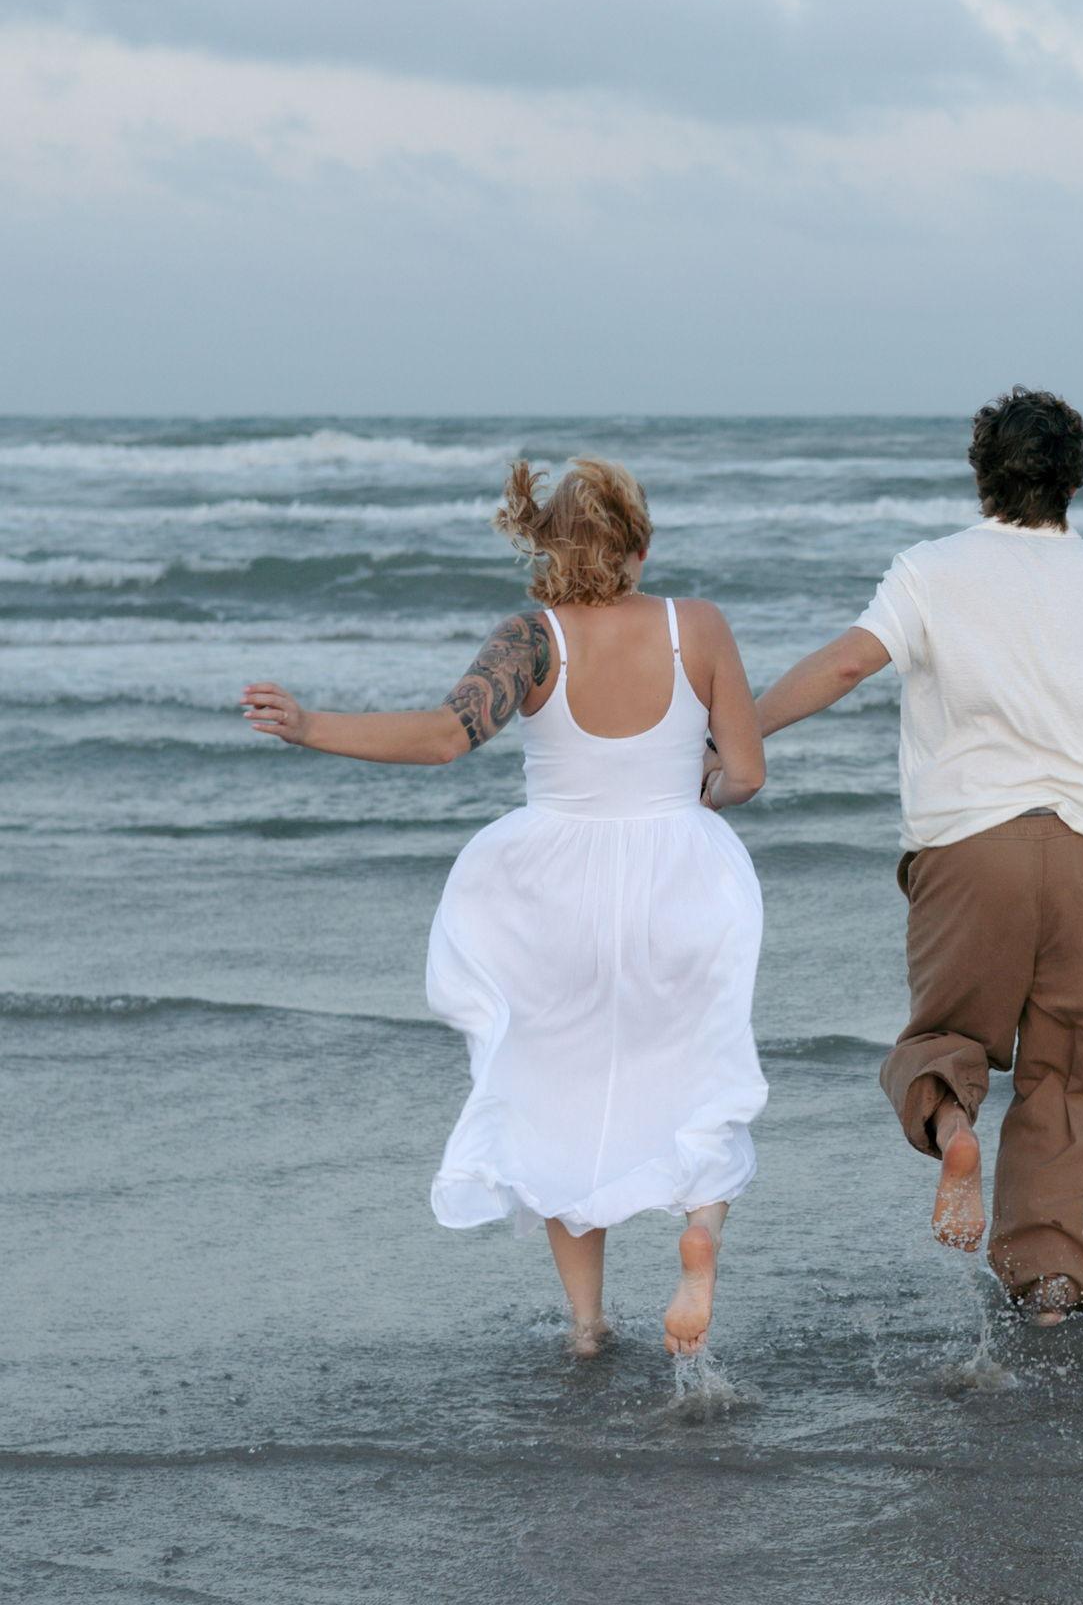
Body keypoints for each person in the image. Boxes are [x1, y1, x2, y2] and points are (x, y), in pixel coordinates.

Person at [727, 388, 1083, 1326]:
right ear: (1074, 481)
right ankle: (1049, 1284)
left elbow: (843, 665)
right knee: (1070, 1077)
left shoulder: (931, 572)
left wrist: (737, 735)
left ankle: (953, 1124)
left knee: (946, 1037)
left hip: (968, 852)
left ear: (982, 474)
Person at [239, 457, 767, 1360]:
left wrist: (311, 725)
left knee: (558, 1096)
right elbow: (747, 772)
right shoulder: (701, 626)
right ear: (640, 548)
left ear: (547, 548)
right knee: (701, 1075)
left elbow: (444, 739)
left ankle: (588, 1327)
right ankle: (701, 1233)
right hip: (681, 875)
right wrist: (698, 788)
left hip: (552, 890)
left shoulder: (530, 639)